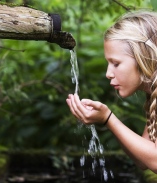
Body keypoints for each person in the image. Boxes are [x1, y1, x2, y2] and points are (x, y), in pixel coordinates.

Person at [66, 10, 157, 173]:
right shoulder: (153, 95)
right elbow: (145, 162)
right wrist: (105, 120)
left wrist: (108, 119)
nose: (108, 73)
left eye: (116, 63)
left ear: (143, 58)